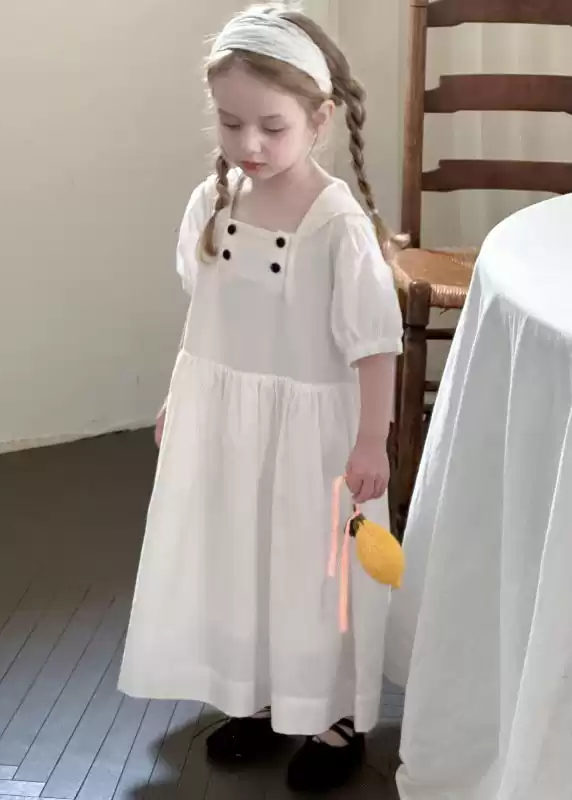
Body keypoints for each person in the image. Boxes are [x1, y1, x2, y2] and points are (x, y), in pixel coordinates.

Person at [119, 3, 403, 793]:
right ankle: (255, 690)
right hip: (228, 425)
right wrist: (183, 398)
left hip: (313, 438)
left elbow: (375, 343)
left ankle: (332, 713)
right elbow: (207, 314)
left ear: (319, 118)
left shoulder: (337, 226)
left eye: (271, 127)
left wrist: (370, 440)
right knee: (240, 557)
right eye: (230, 122)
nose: (249, 144)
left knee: (313, 574)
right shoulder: (213, 203)